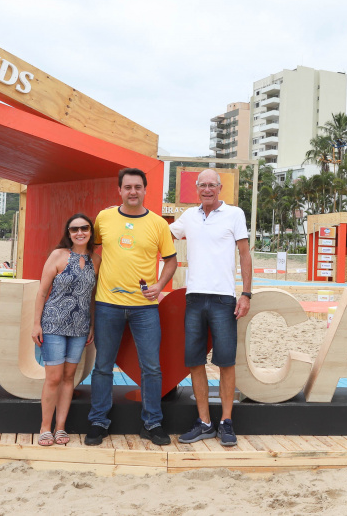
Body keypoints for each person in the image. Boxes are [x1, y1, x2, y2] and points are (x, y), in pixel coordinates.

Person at [85, 168, 177, 447]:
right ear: (119, 190)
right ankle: (98, 421)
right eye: (128, 187)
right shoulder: (104, 217)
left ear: (145, 190)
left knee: (151, 367)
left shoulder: (159, 224)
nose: (133, 191)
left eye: (138, 187)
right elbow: (91, 249)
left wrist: (160, 286)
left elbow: (171, 261)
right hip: (107, 304)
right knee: (102, 366)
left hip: (144, 308)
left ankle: (152, 423)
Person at [170, 169, 252, 447]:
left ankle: (226, 421)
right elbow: (160, 234)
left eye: (212, 185)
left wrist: (247, 294)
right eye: (202, 185)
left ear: (220, 188)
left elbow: (244, 254)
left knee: (226, 362)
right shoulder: (189, 217)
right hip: (194, 298)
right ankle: (205, 422)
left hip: (223, 299)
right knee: (195, 362)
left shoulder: (234, 214)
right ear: (197, 188)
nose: (207, 189)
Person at [32, 214, 100, 447]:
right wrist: (36, 324)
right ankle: (44, 428)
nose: (79, 232)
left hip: (80, 326)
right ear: (68, 233)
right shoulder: (58, 255)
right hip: (53, 323)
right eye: (74, 229)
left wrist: (91, 324)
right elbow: (42, 291)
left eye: (84, 228)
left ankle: (60, 428)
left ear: (91, 231)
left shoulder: (96, 260)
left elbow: (92, 296)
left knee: (69, 377)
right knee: (53, 377)